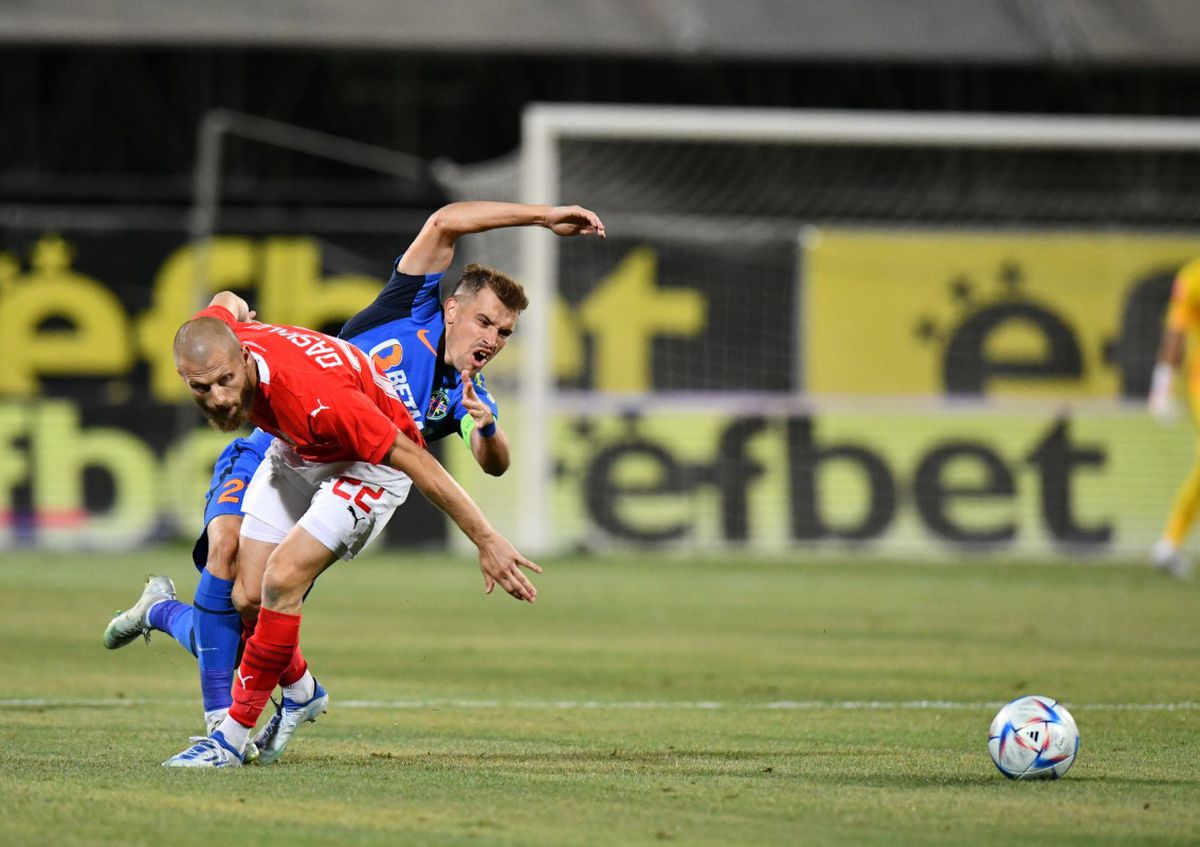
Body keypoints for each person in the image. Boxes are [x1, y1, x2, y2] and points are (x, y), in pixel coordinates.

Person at [101, 203, 606, 764]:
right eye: (485, 322)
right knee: (243, 595)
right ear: (453, 307)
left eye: (505, 333)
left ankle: (226, 734)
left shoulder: (464, 396)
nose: (492, 337)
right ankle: (279, 683)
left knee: (275, 587)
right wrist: (540, 218)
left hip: (358, 458)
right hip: (289, 438)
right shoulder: (409, 303)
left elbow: (480, 460)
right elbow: (443, 223)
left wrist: (485, 457)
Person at [1148, 257, 1200, 580]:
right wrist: (1163, 382)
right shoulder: (1195, 276)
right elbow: (1176, 331)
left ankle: (1170, 543)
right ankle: (1170, 542)